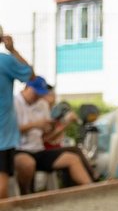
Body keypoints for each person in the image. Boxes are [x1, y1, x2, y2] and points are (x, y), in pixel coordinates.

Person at [13, 77, 95, 194]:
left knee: (73, 158)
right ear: (26, 87)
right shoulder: (13, 103)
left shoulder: (42, 104)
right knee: (28, 163)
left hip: (39, 149)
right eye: (35, 92)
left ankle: (92, 189)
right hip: (19, 150)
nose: (37, 96)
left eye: (40, 94)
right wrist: (35, 125)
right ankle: (26, 195)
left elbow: (47, 137)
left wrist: (50, 127)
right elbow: (9, 131)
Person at [0, 32, 34, 199]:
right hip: (2, 135)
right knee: (1, 182)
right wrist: (12, 50)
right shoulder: (4, 61)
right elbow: (30, 75)